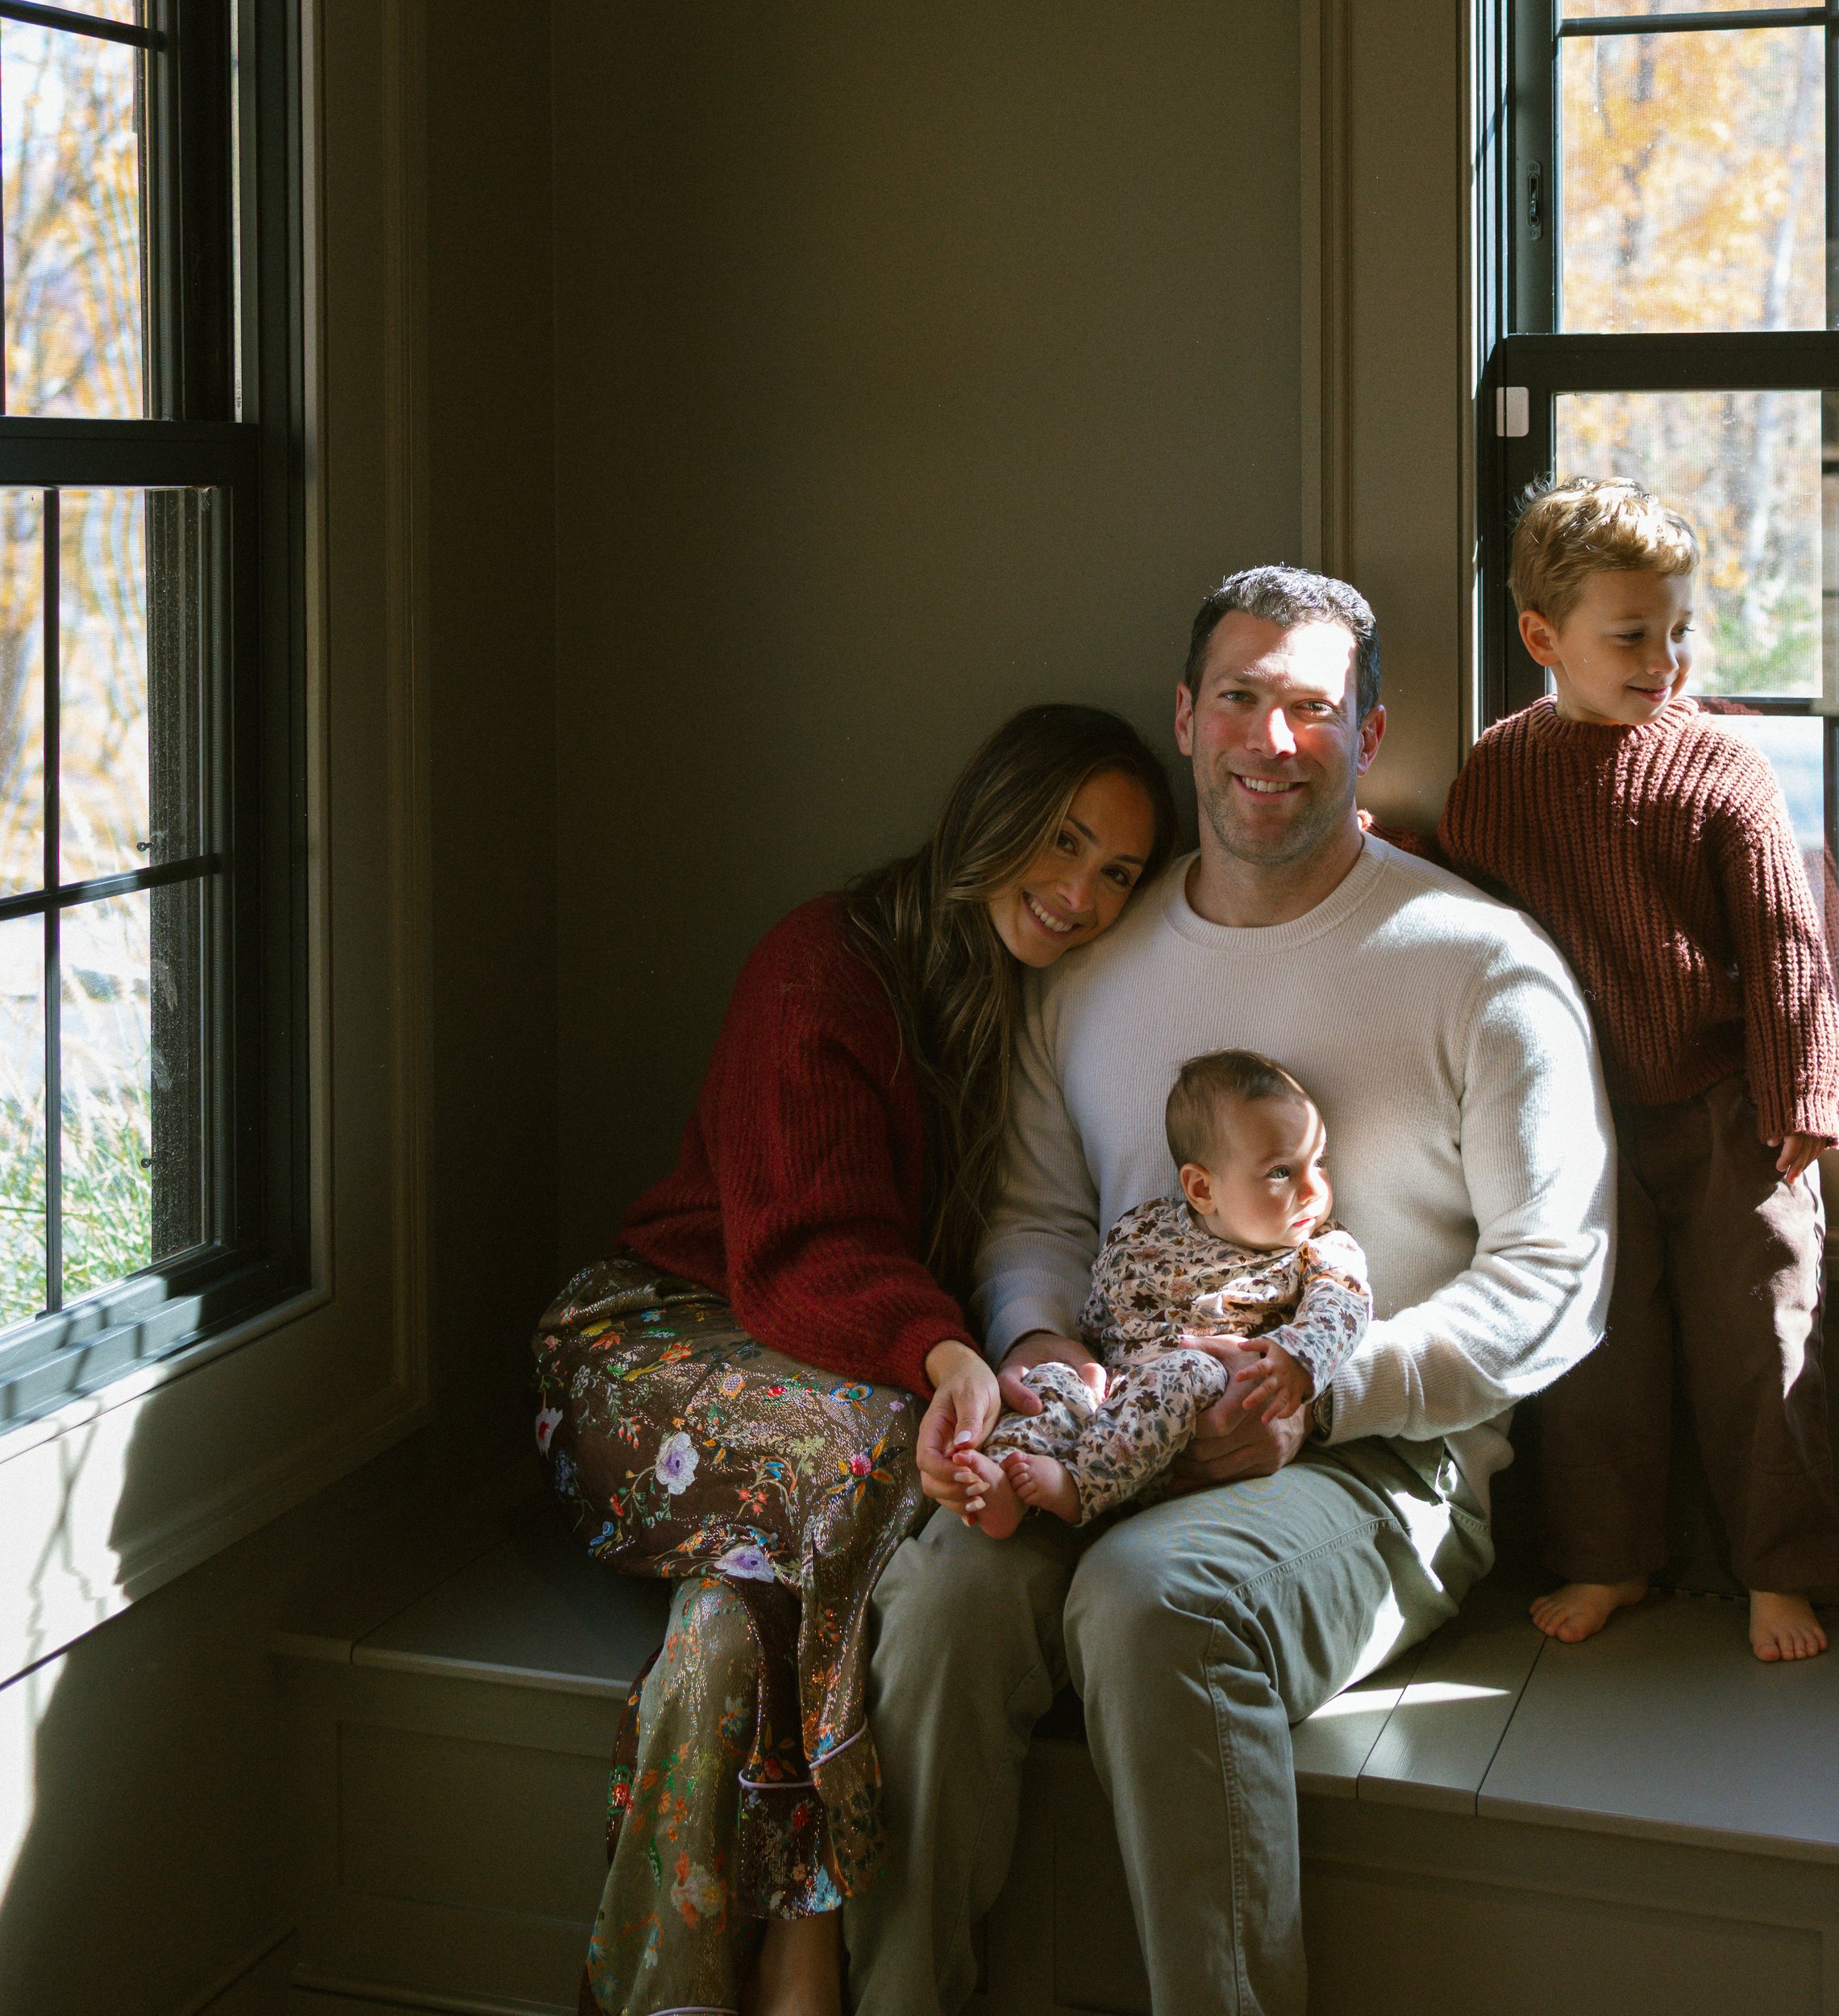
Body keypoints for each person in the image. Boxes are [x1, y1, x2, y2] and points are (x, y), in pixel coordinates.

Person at [843, 564, 1615, 2016]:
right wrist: (1044, 1355)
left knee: (1152, 1601)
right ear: (1188, 719)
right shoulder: (1090, 966)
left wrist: (1322, 1393)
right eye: (1243, 698)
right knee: (942, 1594)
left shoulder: (1478, 967)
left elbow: (1556, 1279)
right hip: (1104, 1424)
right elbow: (1032, 1217)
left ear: (1367, 736)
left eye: (1311, 708)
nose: (1272, 737)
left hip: (1384, 1472)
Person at [534, 701, 1179, 2016]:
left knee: (730, 1618)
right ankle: (811, 1930)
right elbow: (803, 1250)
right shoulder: (820, 965)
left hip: (825, 1401)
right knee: (890, 1450)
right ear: (989, 812)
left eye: (1117, 873)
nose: (1077, 895)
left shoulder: (1039, 1007)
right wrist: (943, 1354)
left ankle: (678, 1990)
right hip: (652, 1346)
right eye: (1060, 842)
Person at [1438, 477, 1839, 1666]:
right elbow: (1464, 923)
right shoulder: (1501, 772)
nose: (1664, 657)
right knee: (1596, 1346)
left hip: (1728, 1106)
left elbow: (1784, 939)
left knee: (1763, 1329)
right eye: (1631, 635)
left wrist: (1801, 1093)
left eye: (1677, 629)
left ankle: (1780, 1566)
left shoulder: (1721, 765)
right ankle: (1608, 1553)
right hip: (1577, 1115)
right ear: (1541, 638)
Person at [954, 1050, 1372, 1533]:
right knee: (1052, 1381)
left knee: (1184, 1372)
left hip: (1203, 1411)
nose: (1313, 1189)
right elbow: (1106, 1300)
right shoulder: (1146, 1229)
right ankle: (1003, 1476)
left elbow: (1342, 1307)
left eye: (1319, 1162)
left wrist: (1300, 1358)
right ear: (1201, 1190)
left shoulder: (1322, 1248)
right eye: (1282, 1171)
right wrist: (1082, 1363)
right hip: (1116, 1387)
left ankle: (1081, 1486)